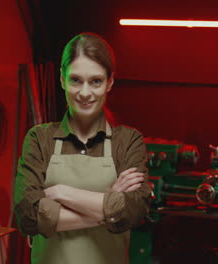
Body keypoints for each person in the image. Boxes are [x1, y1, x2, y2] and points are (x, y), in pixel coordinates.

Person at [14, 32, 151, 264]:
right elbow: (28, 215)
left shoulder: (127, 142)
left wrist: (60, 193)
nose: (85, 93)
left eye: (95, 81)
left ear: (110, 82)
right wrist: (109, 205)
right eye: (75, 80)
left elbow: (135, 211)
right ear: (61, 80)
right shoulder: (39, 139)